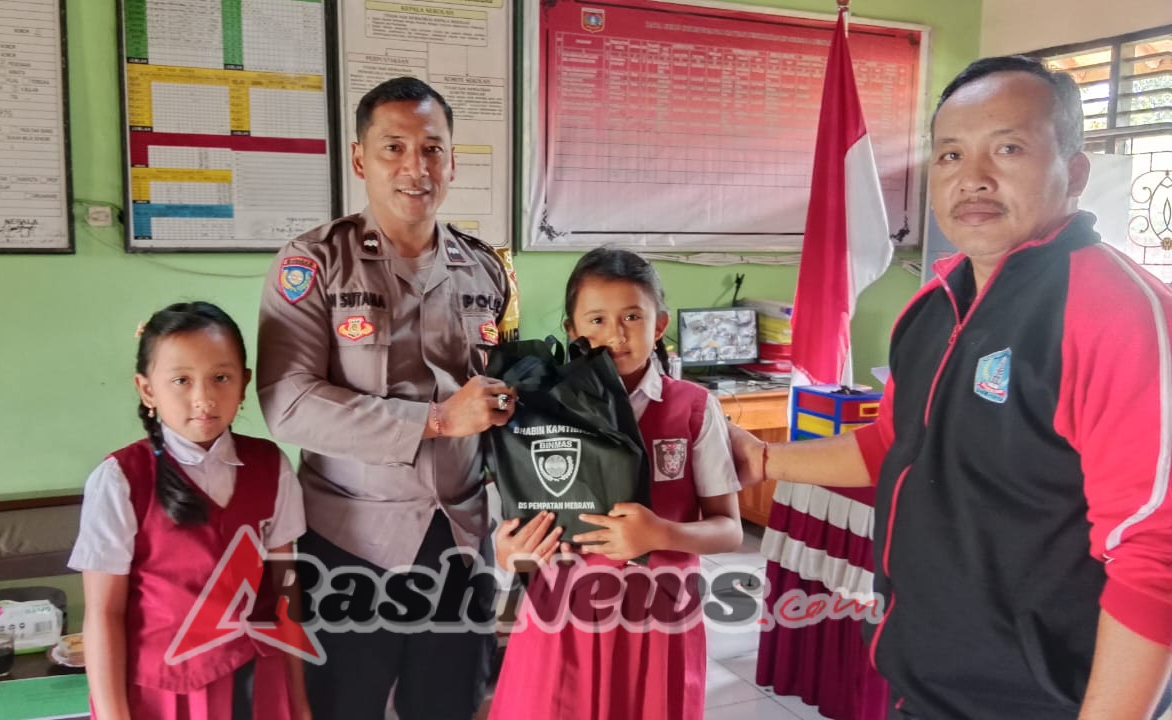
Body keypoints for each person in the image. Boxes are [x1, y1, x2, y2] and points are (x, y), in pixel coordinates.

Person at [731, 55, 1172, 719]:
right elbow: (895, 444)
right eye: (951, 155)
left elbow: (1154, 555)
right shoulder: (933, 306)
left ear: (1073, 172)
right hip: (925, 687)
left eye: (1010, 148)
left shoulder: (1113, 310)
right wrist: (762, 460)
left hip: (1041, 703)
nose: (975, 180)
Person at [256, 76, 516, 720]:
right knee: (346, 706)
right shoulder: (314, 263)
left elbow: (499, 401)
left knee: (451, 703)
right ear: (359, 160)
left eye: (432, 149)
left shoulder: (485, 270)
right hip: (351, 540)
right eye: (394, 147)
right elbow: (286, 401)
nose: (415, 168)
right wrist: (433, 419)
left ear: (452, 161)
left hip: (458, 535)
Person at [487, 248, 744, 720]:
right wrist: (505, 549)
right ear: (571, 329)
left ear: (659, 324)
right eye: (597, 320)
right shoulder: (538, 407)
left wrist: (661, 534)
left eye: (632, 316)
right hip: (562, 613)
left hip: (657, 612)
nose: (616, 334)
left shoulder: (693, 406)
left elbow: (730, 528)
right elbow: (510, 520)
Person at [70, 301, 309, 720]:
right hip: (165, 690)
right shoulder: (120, 478)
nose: (204, 398)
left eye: (221, 378)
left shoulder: (271, 466)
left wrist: (299, 698)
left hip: (258, 678)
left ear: (243, 384)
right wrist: (113, 714)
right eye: (181, 380)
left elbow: (284, 590)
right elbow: (104, 613)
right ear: (148, 390)